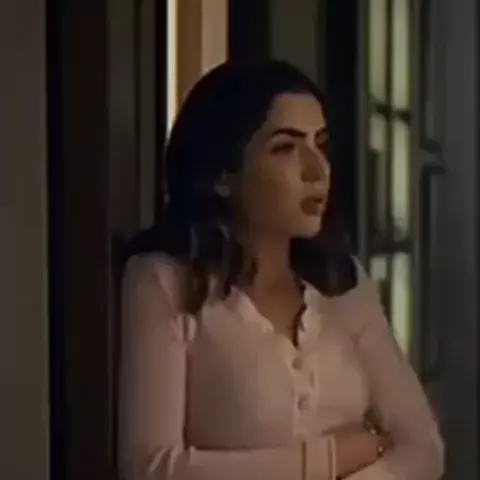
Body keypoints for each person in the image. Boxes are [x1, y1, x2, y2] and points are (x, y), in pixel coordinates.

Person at [117, 60, 444, 480]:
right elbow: (150, 467)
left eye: (320, 144)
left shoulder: (341, 281)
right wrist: (331, 458)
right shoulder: (163, 282)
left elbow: (423, 447)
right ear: (222, 175)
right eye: (286, 148)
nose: (317, 170)